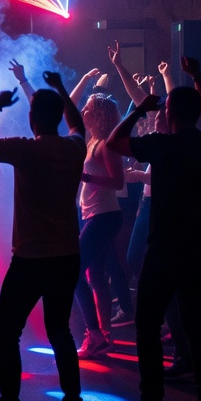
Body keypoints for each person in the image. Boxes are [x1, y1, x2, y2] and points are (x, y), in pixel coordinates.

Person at [107, 56, 201, 401]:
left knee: (147, 323)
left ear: (168, 114)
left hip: (166, 246)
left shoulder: (162, 145)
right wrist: (198, 79)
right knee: (195, 323)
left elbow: (114, 142)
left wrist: (140, 106)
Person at [0, 71, 87, 401]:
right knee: (61, 333)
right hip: (66, 254)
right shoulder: (73, 149)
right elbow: (78, 125)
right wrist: (62, 90)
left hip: (31, 258)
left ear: (32, 119)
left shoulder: (26, 148)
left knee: (7, 335)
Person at [70, 92, 123, 360]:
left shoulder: (107, 145)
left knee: (73, 271)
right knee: (96, 276)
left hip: (104, 216)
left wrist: (87, 177)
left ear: (99, 114)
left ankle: (95, 333)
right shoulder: (93, 141)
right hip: (94, 215)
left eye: (88, 108)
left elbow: (118, 182)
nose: (83, 111)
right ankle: (105, 335)